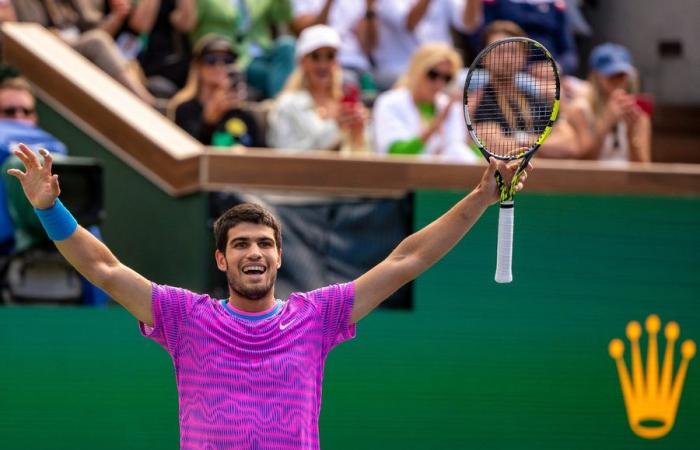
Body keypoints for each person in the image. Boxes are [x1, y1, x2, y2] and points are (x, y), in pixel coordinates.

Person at [7, 137, 528, 448]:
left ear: (279, 256)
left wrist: (482, 196)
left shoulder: (319, 315)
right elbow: (103, 268)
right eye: (239, 245)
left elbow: (406, 260)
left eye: (263, 243)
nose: (252, 253)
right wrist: (49, 208)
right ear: (221, 259)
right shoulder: (183, 317)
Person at [11, 0, 155, 104]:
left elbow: (98, 34)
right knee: (97, 42)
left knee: (120, 56)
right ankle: (147, 103)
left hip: (78, 50)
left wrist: (116, 16)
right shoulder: (23, 4)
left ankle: (144, 102)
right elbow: (29, 36)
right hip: (45, 53)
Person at [267, 24, 367, 153]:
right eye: (315, 56)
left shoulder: (344, 104)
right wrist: (336, 128)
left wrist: (358, 133)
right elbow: (285, 154)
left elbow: (364, 157)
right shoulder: (287, 104)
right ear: (303, 61)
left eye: (330, 56)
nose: (323, 64)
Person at [372, 42, 478, 162]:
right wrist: (433, 127)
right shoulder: (389, 102)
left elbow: (460, 152)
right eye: (433, 74)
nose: (439, 83)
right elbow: (395, 153)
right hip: (398, 178)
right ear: (417, 70)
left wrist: (470, 132)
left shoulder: (449, 105)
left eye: (446, 78)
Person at [167, 35, 264, 147]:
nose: (220, 65)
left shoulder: (243, 115)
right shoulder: (184, 110)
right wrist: (209, 121)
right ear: (198, 66)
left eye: (228, 60)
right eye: (211, 60)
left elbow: (262, 154)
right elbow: (186, 152)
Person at [564, 43, 651, 162]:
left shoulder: (638, 114)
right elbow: (584, 162)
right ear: (596, 76)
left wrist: (631, 135)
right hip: (592, 180)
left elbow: (643, 170)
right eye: (611, 75)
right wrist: (606, 122)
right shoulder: (579, 110)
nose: (618, 81)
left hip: (625, 180)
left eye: (622, 75)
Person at [371, 0, 481, 90]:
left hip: (445, 73)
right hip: (400, 72)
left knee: (484, 81)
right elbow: (409, 23)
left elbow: (468, 24)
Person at [467, 0, 579, 74]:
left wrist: (557, 68)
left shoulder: (556, 5)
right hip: (507, 74)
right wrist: (522, 69)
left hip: (551, 76)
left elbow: (570, 53)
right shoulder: (493, 3)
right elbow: (481, 41)